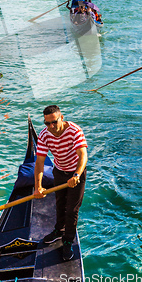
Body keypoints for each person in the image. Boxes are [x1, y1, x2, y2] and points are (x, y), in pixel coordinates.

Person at [34, 105, 87, 261]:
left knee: (72, 209)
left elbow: (83, 155)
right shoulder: (44, 135)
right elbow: (39, 163)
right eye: (47, 123)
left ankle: (68, 241)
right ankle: (59, 231)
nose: (51, 126)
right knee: (59, 203)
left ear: (61, 118)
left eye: (54, 122)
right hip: (59, 171)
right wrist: (38, 187)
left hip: (77, 172)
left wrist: (76, 175)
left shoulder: (75, 131)